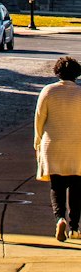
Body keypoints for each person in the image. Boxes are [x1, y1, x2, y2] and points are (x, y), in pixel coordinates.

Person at [34, 55, 81, 242]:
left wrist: (37, 142)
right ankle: (75, 228)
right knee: (77, 190)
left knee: (57, 187)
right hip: (77, 147)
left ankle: (59, 218)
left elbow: (39, 120)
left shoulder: (48, 91)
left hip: (52, 145)